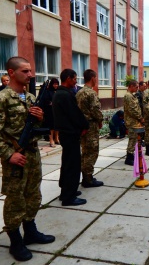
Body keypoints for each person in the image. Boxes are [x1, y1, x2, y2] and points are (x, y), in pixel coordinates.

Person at [0, 57, 55, 261]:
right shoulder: (1, 100)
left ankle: (30, 231)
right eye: (25, 71)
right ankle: (15, 241)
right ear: (11, 72)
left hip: (32, 154)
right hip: (15, 156)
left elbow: (35, 124)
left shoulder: (30, 98)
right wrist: (8, 155)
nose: (30, 75)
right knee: (15, 200)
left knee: (33, 195)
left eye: (31, 71)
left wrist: (40, 116)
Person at [53, 69, 89, 206]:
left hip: (66, 133)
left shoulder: (61, 93)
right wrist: (84, 125)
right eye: (74, 79)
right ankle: (69, 196)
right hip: (70, 134)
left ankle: (66, 191)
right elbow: (75, 115)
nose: (76, 82)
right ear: (68, 78)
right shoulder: (65, 95)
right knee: (72, 165)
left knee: (67, 163)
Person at [76, 69, 104, 188]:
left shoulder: (79, 92)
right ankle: (88, 178)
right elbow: (95, 110)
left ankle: (85, 176)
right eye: (96, 78)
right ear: (92, 78)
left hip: (82, 125)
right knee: (92, 152)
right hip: (91, 125)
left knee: (85, 151)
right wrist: (100, 120)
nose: (96, 80)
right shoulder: (91, 93)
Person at [124, 80, 144, 165]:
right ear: (131, 86)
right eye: (136, 87)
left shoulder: (132, 95)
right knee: (132, 139)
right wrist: (140, 118)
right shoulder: (128, 96)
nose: (137, 88)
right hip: (131, 121)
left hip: (134, 121)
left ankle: (131, 155)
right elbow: (132, 110)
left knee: (134, 138)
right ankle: (129, 157)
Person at [41, 78, 59, 147]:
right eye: (54, 84)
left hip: (57, 111)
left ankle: (56, 138)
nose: (56, 86)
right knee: (51, 126)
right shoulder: (48, 91)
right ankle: (51, 140)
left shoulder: (58, 91)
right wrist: (51, 103)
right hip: (50, 111)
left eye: (57, 84)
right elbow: (45, 101)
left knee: (57, 126)